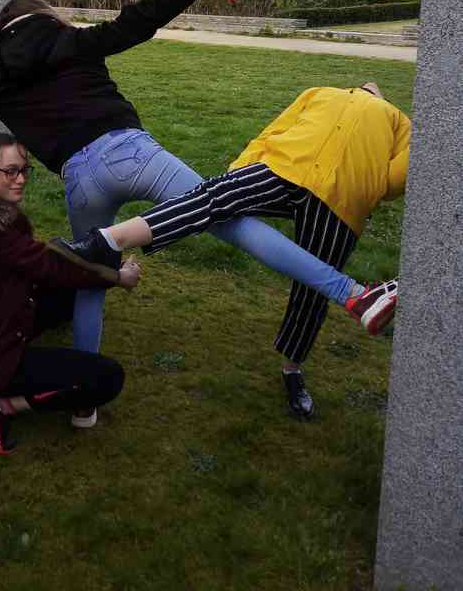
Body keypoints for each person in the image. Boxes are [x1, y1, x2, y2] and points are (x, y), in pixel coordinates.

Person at [0, 0, 366, 424]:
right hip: (130, 153)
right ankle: (349, 292)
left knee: (90, 278)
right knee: (229, 219)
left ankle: (83, 405)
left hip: (79, 180)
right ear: (47, 20)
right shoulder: (74, 44)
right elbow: (141, 18)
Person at [49, 82, 408, 419]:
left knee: (221, 208)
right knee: (220, 207)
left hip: (315, 185)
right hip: (312, 182)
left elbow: (276, 131)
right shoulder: (359, 107)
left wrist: (237, 173)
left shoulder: (363, 108)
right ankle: (297, 363)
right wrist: (367, 180)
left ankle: (294, 368)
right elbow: (394, 178)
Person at [0, 133, 141, 455]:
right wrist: (116, 277)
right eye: (10, 171)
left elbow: (39, 263)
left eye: (24, 170)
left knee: (70, 294)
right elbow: (51, 266)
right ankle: (2, 405)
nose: (20, 179)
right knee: (106, 378)